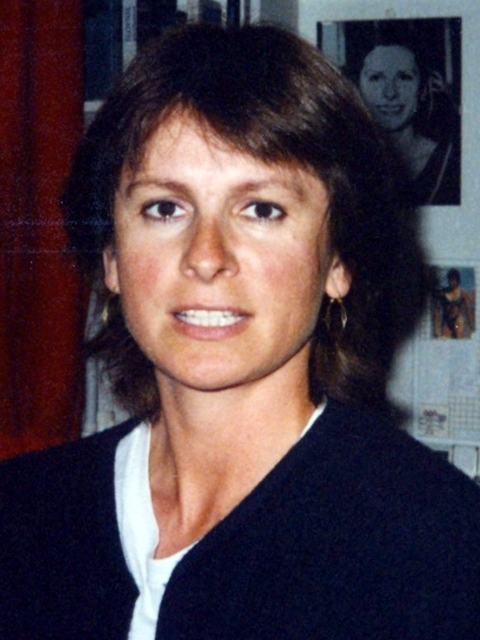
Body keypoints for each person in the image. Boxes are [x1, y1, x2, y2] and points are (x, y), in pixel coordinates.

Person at [1, 22, 480, 640]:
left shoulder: (440, 545)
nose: (206, 257)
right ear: (112, 258)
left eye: (262, 209)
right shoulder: (22, 515)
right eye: (164, 208)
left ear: (338, 262)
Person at [356, 32, 461, 206]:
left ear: (424, 89)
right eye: (376, 78)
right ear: (357, 88)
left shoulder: (451, 165)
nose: (390, 93)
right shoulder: (344, 164)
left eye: (404, 77)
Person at [433, 268, 475, 338]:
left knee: (459, 340)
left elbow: (468, 310)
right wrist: (435, 327)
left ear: (457, 281)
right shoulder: (443, 293)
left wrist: (471, 327)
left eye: (453, 280)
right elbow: (437, 310)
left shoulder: (463, 293)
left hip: (457, 321)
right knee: (445, 342)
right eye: (450, 279)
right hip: (446, 321)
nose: (451, 282)